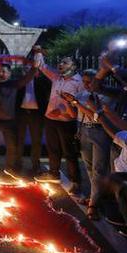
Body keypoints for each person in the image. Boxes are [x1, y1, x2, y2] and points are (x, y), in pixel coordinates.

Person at [61, 69, 112, 220]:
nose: (86, 85)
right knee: (89, 167)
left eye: (89, 81)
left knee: (99, 168)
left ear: (98, 81)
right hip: (83, 130)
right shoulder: (82, 95)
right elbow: (74, 114)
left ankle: (94, 205)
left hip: (99, 131)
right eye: (84, 82)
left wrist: (76, 103)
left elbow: (95, 117)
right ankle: (94, 197)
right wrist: (69, 102)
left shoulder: (106, 97)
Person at [34, 55, 84, 192]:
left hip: (67, 122)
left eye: (65, 62)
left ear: (73, 66)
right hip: (50, 119)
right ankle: (54, 173)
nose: (60, 64)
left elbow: (80, 103)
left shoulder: (79, 82)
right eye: (60, 61)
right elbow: (42, 66)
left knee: (70, 152)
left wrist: (62, 109)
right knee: (53, 149)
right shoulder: (57, 78)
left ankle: (75, 181)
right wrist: (39, 53)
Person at [0, 62, 37, 171]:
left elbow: (28, 77)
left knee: (12, 147)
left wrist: (35, 66)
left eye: (4, 71)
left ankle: (9, 169)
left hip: (9, 122)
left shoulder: (14, 84)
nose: (1, 73)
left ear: (9, 74)